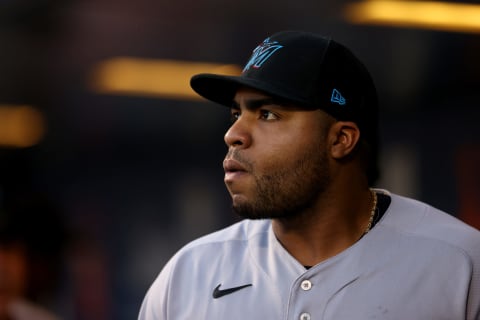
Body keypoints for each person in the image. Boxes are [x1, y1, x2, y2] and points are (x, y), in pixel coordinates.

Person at [138, 31, 480, 319]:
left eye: (268, 114)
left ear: (340, 140)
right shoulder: (188, 275)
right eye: (236, 113)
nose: (234, 134)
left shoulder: (461, 263)